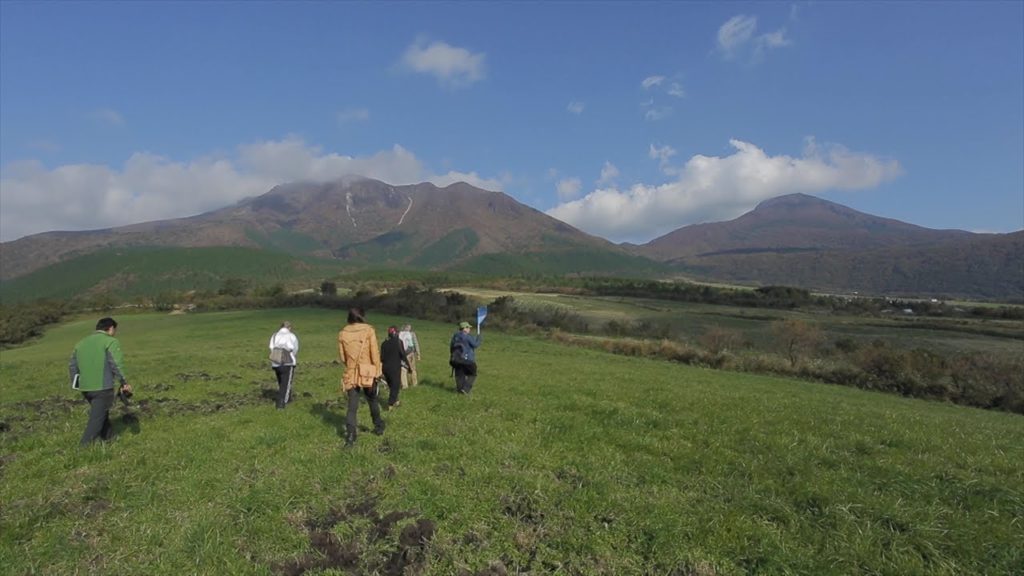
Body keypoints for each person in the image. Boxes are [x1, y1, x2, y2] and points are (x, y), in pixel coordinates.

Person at [69, 317, 131, 446]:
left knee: (101, 413)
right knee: (96, 419)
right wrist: (124, 382)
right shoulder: (110, 341)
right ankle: (84, 447)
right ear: (111, 328)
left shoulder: (81, 343)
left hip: (86, 388)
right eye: (115, 330)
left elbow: (72, 366)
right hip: (102, 387)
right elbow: (116, 364)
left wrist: (76, 383)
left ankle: (110, 438)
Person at [337, 307, 385, 447]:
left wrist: (351, 365)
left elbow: (342, 357)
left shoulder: (342, 333)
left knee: (352, 406)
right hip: (368, 372)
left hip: (351, 373)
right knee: (372, 400)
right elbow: (375, 353)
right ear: (362, 316)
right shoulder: (369, 330)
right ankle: (378, 427)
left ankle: (351, 435)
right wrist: (377, 370)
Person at [268, 321, 299, 409]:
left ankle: (287, 398)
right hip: (288, 361)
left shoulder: (274, 335)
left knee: (281, 381)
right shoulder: (291, 336)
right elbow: (295, 348)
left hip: (276, 362)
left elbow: (271, 347)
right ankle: (281, 403)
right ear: (289, 328)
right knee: (286, 383)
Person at [380, 326, 410, 410]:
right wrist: (408, 366)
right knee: (395, 386)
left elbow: (381, 357)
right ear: (396, 333)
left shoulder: (384, 343)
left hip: (385, 368)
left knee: (391, 385)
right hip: (395, 368)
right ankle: (390, 403)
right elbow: (402, 354)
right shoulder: (398, 342)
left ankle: (396, 400)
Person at [450, 320, 482, 395]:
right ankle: (466, 389)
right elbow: (475, 344)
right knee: (472, 374)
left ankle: (460, 390)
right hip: (467, 360)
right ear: (465, 328)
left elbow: (451, 347)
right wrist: (479, 338)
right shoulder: (467, 336)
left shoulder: (455, 336)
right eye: (468, 328)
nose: (469, 329)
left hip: (456, 359)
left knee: (460, 374)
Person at [398, 324, 421, 388]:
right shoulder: (412, 334)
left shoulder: (400, 334)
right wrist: (418, 354)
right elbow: (416, 343)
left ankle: (404, 385)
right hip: (411, 353)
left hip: (403, 354)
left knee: (403, 369)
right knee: (413, 368)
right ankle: (414, 383)